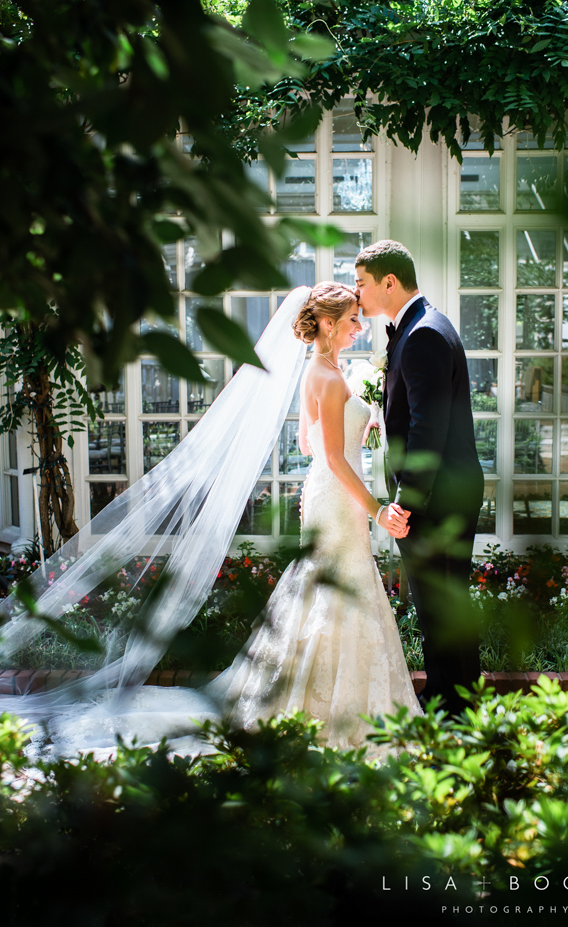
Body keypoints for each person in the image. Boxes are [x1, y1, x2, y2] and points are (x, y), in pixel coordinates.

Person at [0, 282, 422, 757]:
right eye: (351, 319)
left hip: (329, 493)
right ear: (327, 323)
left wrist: (357, 420)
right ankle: (328, 705)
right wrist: (377, 508)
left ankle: (320, 699)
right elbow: (330, 456)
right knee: (336, 590)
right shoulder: (324, 377)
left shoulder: (325, 371)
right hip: (339, 497)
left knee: (328, 591)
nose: (359, 326)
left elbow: (307, 444)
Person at [356, 240, 484, 714]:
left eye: (362, 283)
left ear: (390, 282)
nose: (357, 293)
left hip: (436, 498)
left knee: (440, 604)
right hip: (445, 492)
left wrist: (405, 504)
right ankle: (455, 696)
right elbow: (414, 410)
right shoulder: (420, 324)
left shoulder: (423, 334)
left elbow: (429, 430)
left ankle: (453, 706)